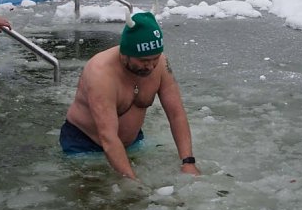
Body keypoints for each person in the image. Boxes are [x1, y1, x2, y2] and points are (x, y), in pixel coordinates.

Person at [59, 12, 200, 180]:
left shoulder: (161, 63)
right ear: (125, 54)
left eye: (154, 59)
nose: (150, 66)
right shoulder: (101, 73)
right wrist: (133, 183)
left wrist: (188, 162)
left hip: (132, 143)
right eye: (143, 61)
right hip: (84, 146)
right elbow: (108, 137)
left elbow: (176, 114)